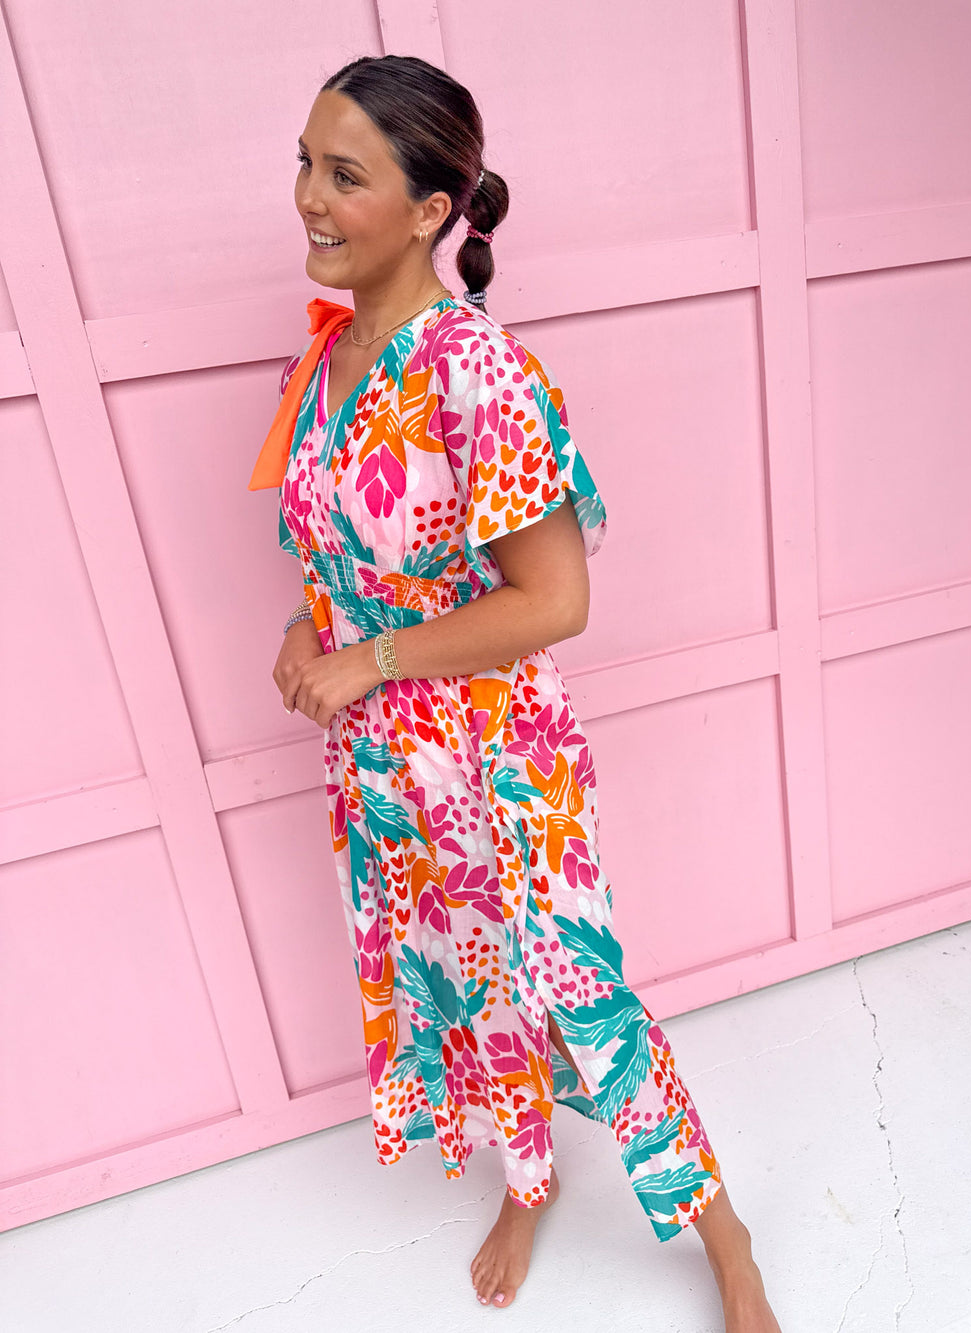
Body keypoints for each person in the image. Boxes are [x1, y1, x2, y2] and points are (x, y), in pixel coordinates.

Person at [249, 54, 781, 1330]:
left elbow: (553, 600)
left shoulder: (474, 370)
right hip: (384, 767)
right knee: (463, 981)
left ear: (431, 209)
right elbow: (341, 567)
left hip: (498, 760)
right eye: (305, 165)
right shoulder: (318, 367)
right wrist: (306, 634)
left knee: (579, 994)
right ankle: (529, 1181)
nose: (311, 198)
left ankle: (724, 1236)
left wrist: (366, 659)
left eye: (345, 174)